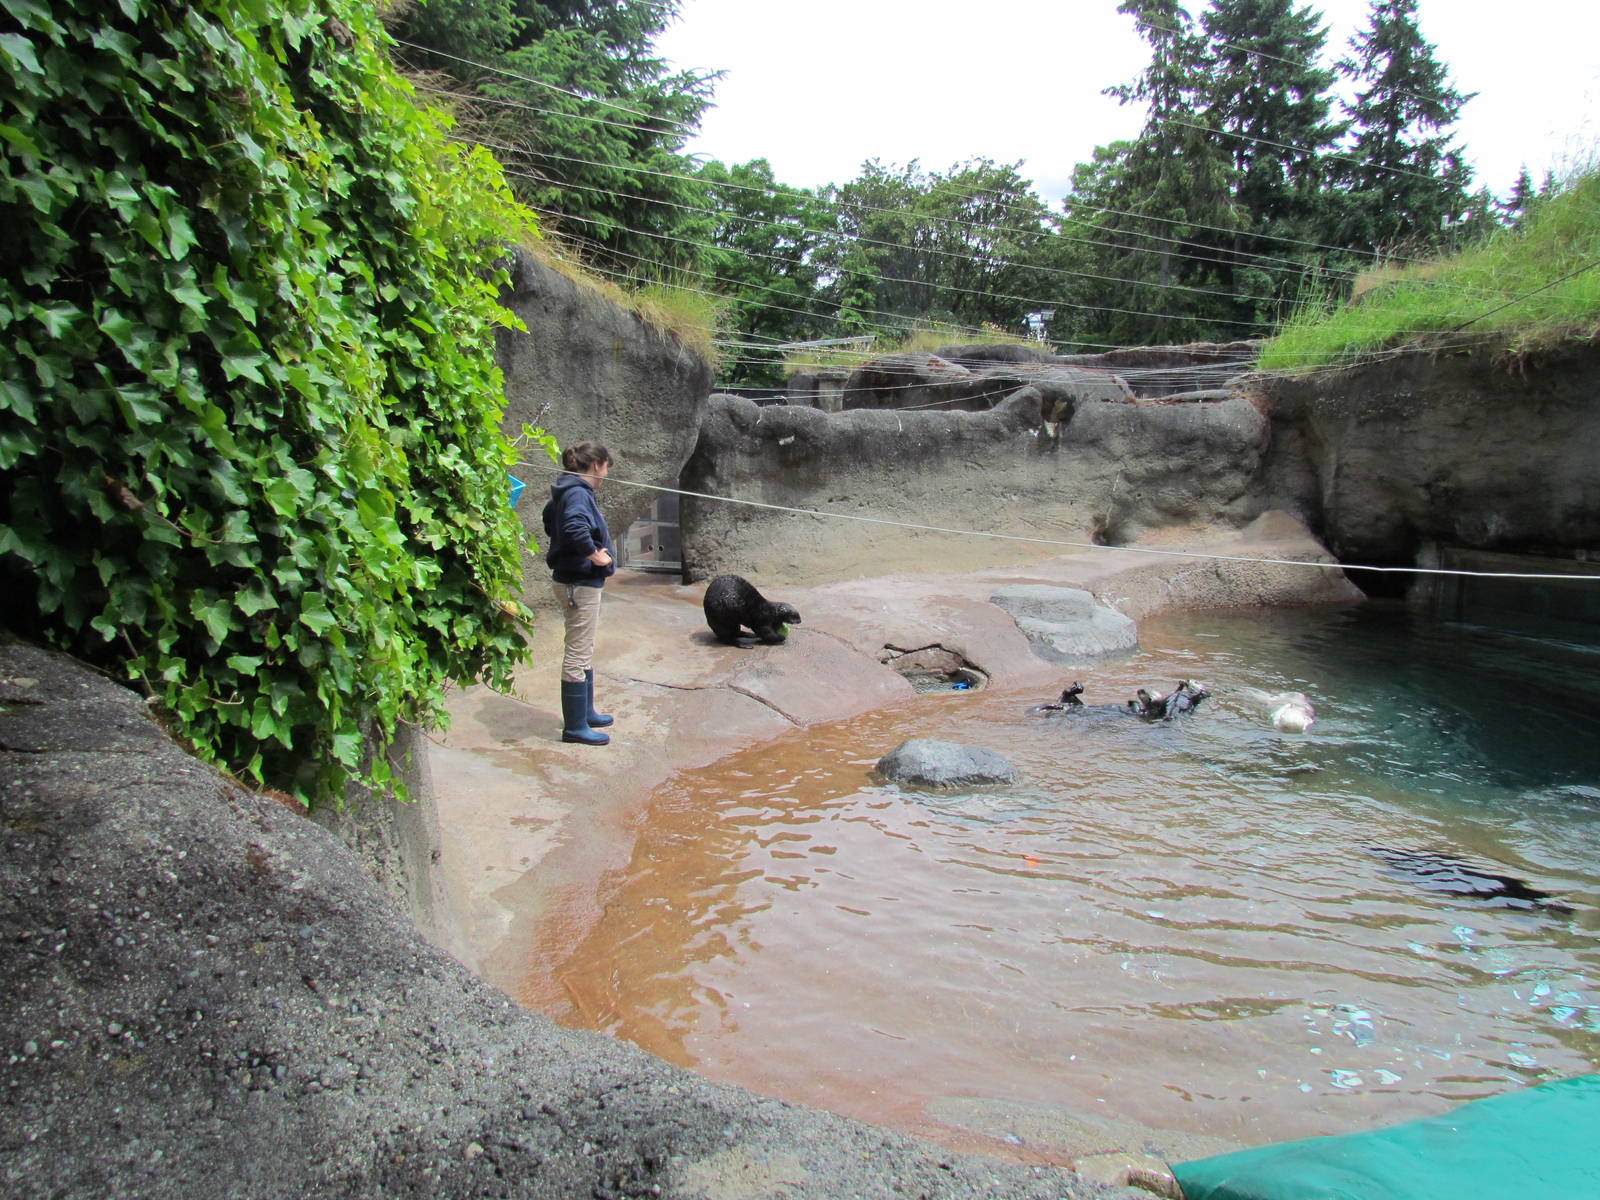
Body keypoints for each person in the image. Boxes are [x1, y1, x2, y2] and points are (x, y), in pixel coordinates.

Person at [541, 442, 616, 746]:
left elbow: (549, 518)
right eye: (606, 467)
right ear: (597, 464)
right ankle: (574, 727)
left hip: (576, 582)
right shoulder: (577, 493)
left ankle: (585, 713)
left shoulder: (567, 490)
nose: (606, 474)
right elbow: (573, 526)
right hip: (578, 584)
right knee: (577, 653)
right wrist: (594, 555)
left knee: (584, 648)